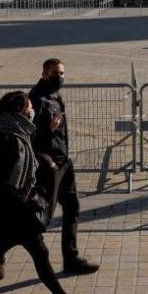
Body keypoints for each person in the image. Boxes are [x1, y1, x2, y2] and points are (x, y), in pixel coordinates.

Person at [0, 91, 66, 294]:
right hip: (14, 213)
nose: (32, 111)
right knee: (33, 255)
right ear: (21, 112)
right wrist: (29, 203)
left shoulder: (13, 132)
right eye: (29, 108)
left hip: (7, 212)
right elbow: (12, 181)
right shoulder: (12, 141)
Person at [30, 58, 100, 275]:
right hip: (49, 166)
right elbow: (30, 136)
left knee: (72, 208)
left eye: (62, 73)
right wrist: (48, 129)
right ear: (44, 73)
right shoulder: (37, 99)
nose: (60, 77)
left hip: (64, 162)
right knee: (42, 218)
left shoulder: (54, 96)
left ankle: (71, 258)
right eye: (55, 74)